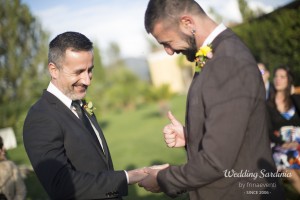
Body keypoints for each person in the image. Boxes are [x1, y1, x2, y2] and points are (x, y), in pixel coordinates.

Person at [138, 0, 285, 199]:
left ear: (188, 23)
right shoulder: (218, 54)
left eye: (167, 42)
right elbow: (232, 127)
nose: (169, 51)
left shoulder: (228, 62)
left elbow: (216, 161)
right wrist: (190, 137)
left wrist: (163, 178)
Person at [23, 31, 147, 199]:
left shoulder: (79, 103)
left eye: (90, 70)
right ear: (53, 70)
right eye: (79, 71)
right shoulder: (40, 118)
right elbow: (61, 184)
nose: (87, 80)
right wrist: (129, 177)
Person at [267, 66, 300, 193]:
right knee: (288, 170)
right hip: (280, 146)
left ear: (288, 80)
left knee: (296, 160)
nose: (278, 80)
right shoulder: (268, 105)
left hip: (298, 143)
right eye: (276, 77)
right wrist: (283, 143)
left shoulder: (296, 100)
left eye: (282, 77)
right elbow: (268, 130)